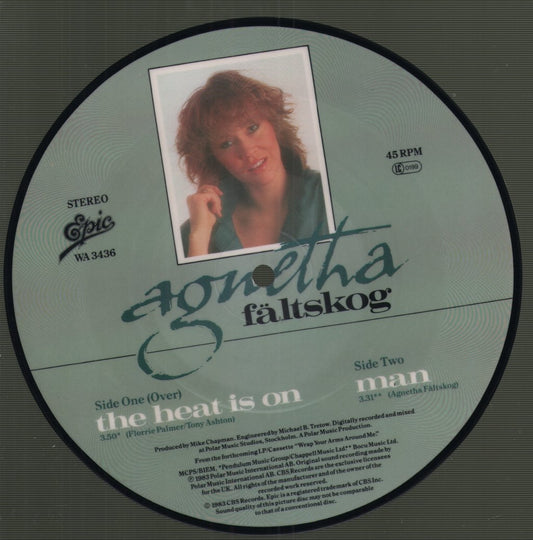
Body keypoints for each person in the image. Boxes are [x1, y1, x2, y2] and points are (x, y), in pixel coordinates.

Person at [176, 70, 329, 257]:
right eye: (226, 144)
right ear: (214, 159)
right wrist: (199, 236)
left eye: (252, 128)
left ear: (275, 125)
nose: (247, 151)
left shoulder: (329, 194)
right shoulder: (197, 230)